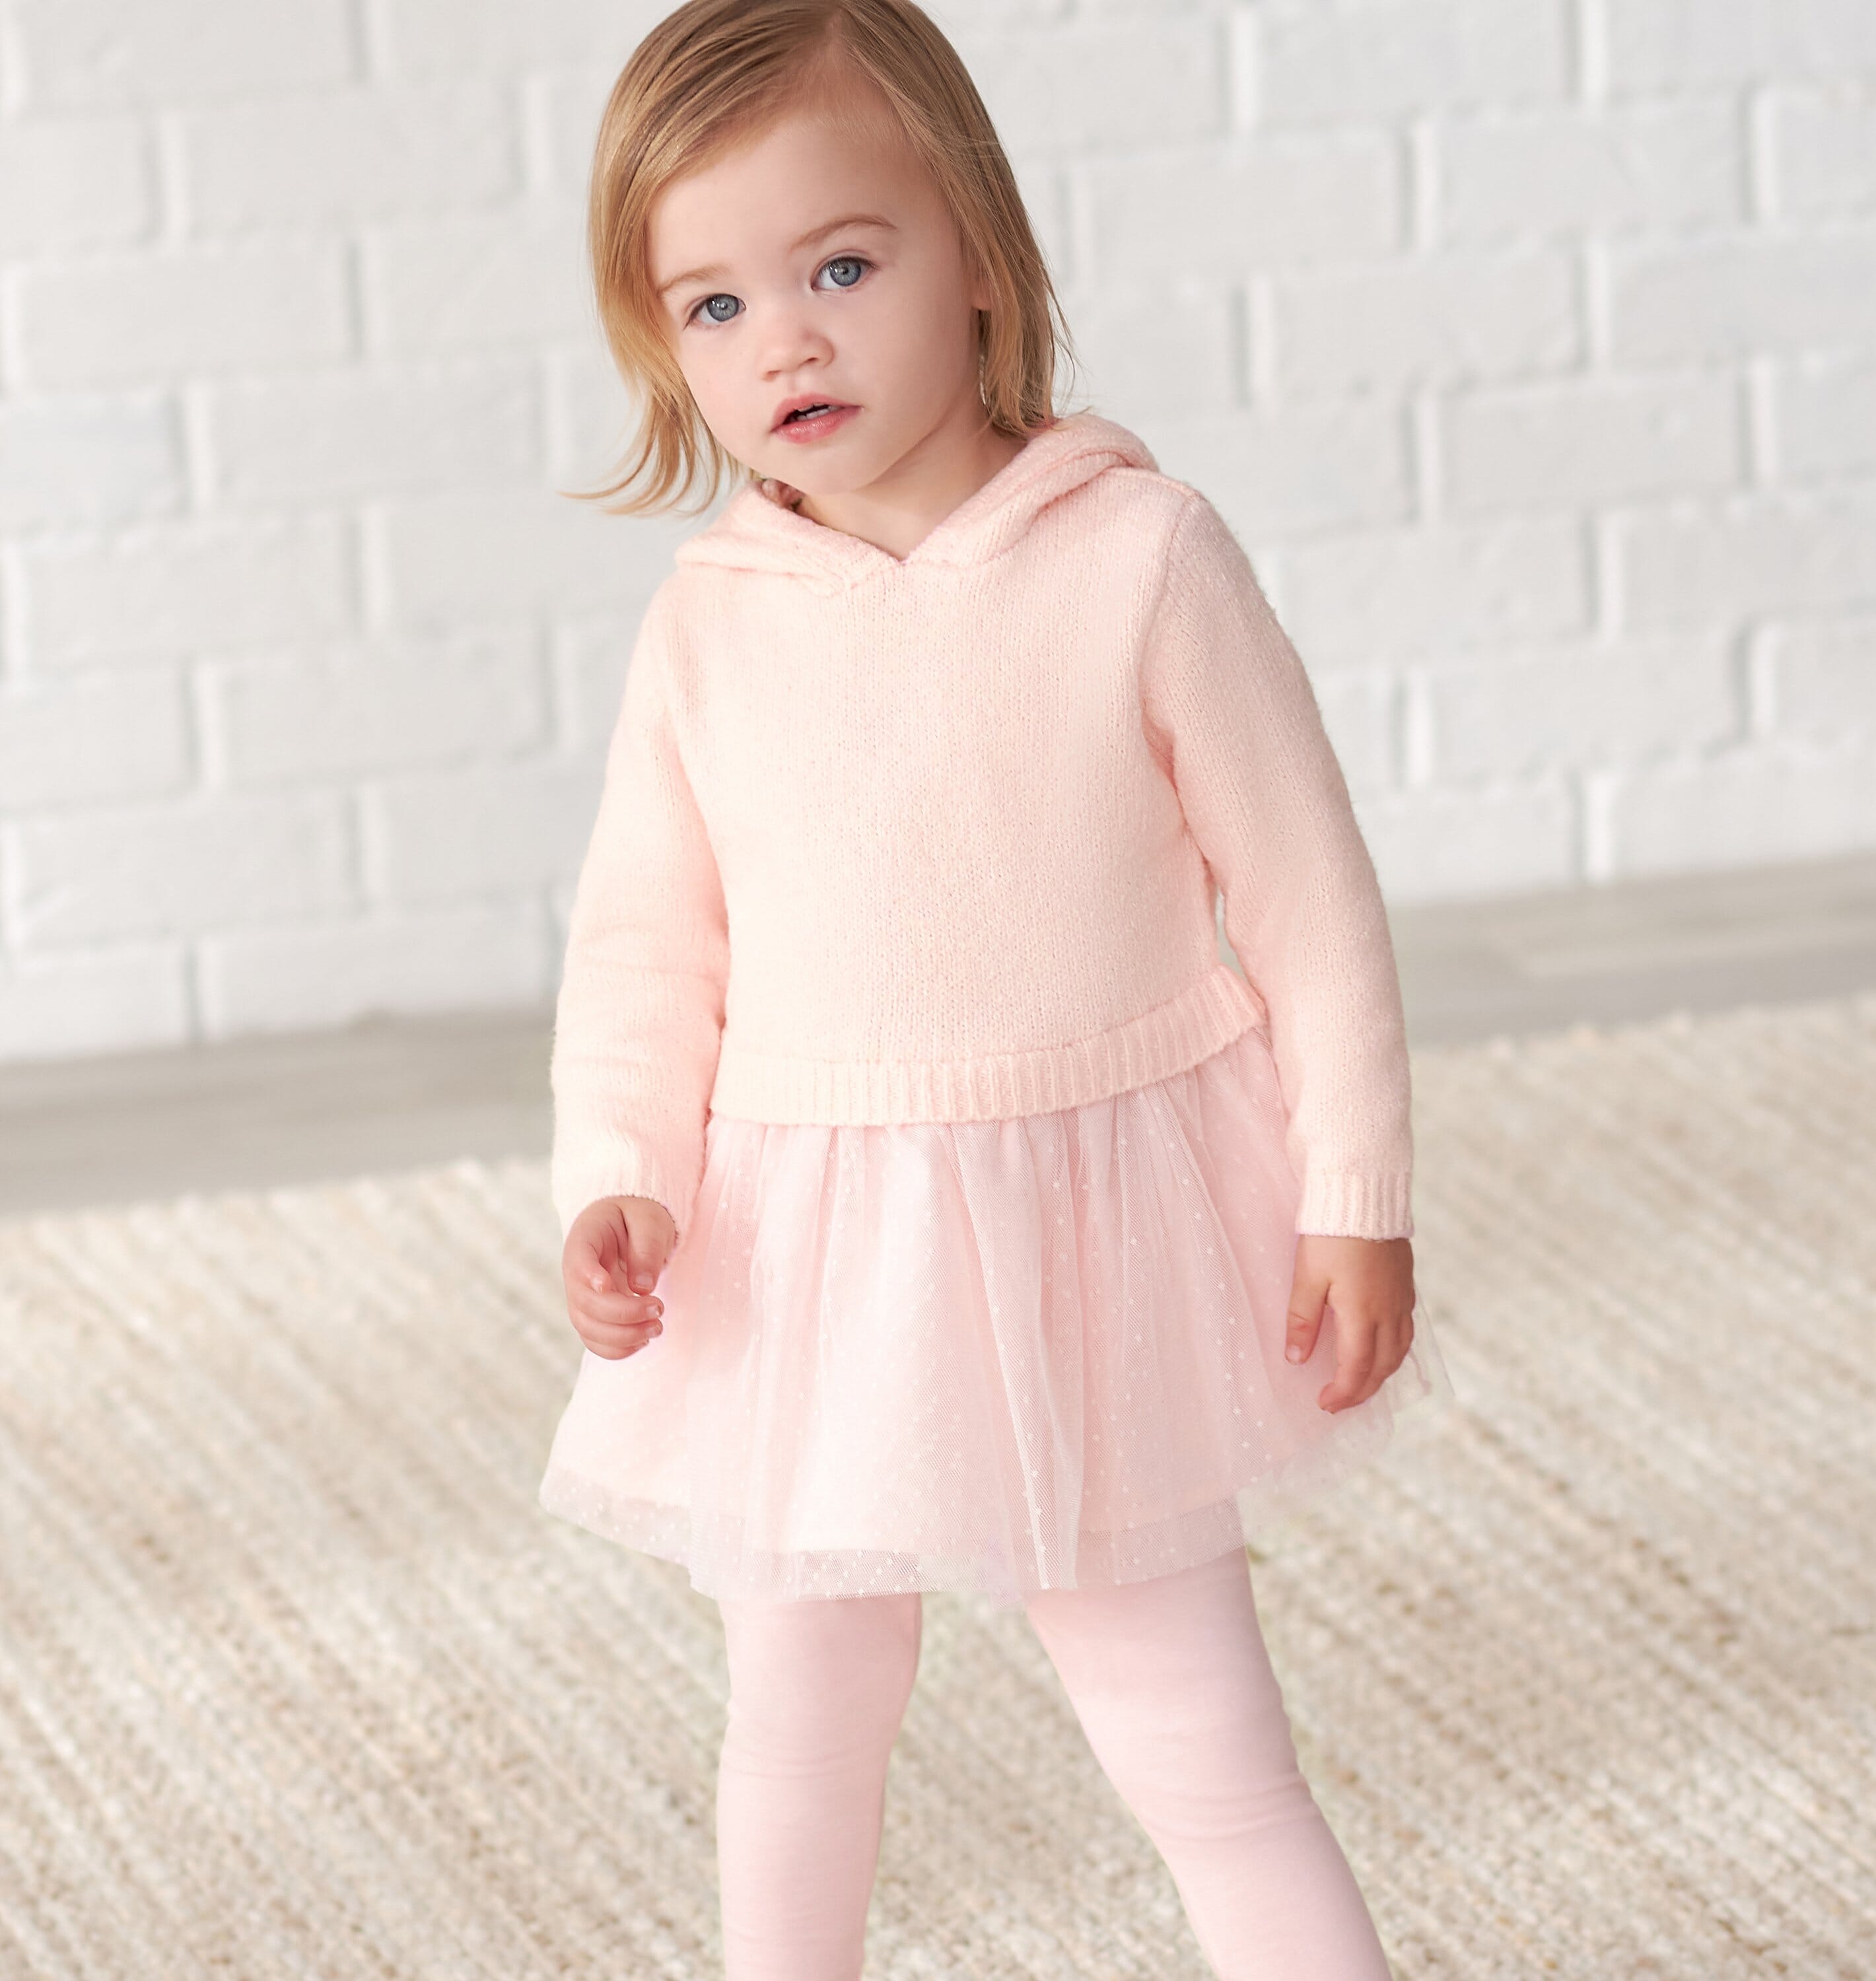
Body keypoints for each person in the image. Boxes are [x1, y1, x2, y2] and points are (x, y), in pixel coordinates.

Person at [539, 3, 1456, 1974]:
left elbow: (1308, 900)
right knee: (804, 1716)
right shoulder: (709, 630)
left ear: (978, 254)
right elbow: (646, 950)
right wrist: (621, 1174)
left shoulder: (1139, 557)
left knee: (1203, 1745)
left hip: (1096, 1242)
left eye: (840, 268)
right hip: (806, 1253)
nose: (784, 345)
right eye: (715, 307)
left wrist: (1354, 1189)